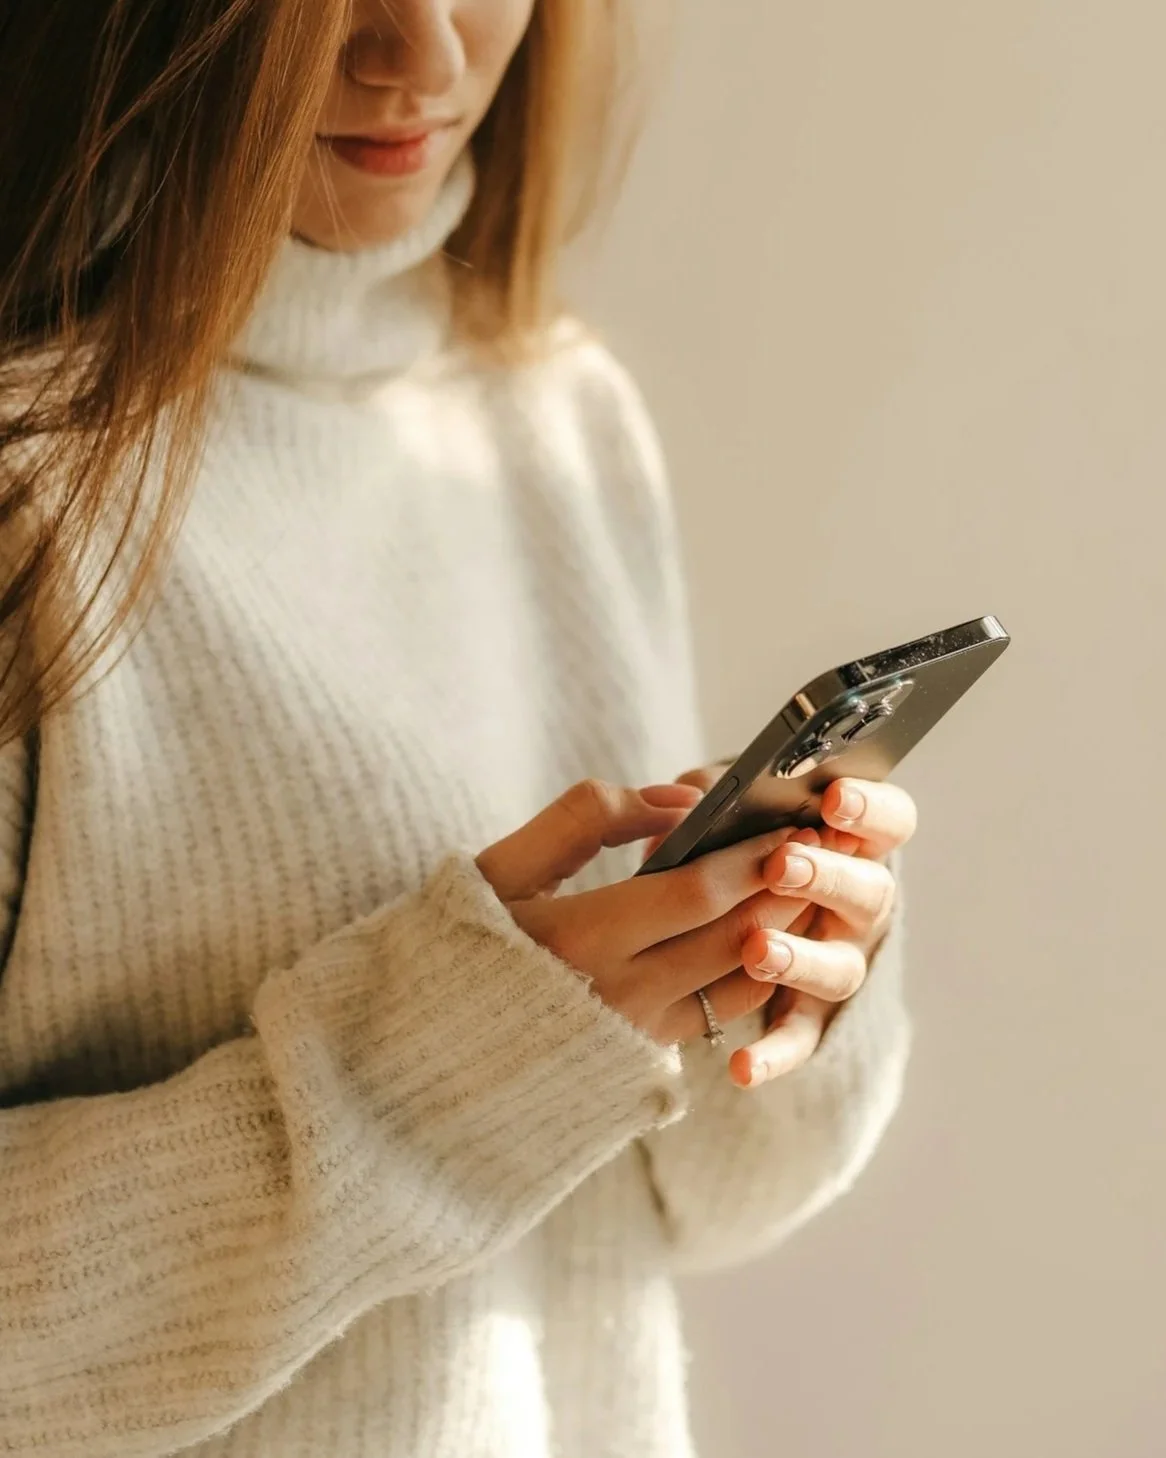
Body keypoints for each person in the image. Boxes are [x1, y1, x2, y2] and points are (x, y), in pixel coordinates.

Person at [0, 2, 916, 1454]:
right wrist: (441, 1076)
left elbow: (682, 1204)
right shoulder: (31, 497)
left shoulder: (555, 417)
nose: (420, 58)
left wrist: (776, 976)